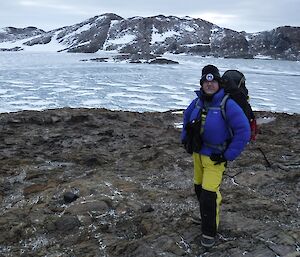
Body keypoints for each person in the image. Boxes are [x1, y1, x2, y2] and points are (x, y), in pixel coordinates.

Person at [181, 65, 250, 247]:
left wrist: (228, 155)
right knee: (198, 189)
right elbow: (186, 117)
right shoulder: (197, 102)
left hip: (215, 157)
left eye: (213, 81)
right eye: (206, 81)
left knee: (208, 195)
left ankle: (209, 232)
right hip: (198, 154)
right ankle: (207, 216)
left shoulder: (228, 104)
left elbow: (243, 131)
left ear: (219, 83)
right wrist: (185, 139)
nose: (209, 85)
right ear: (202, 84)